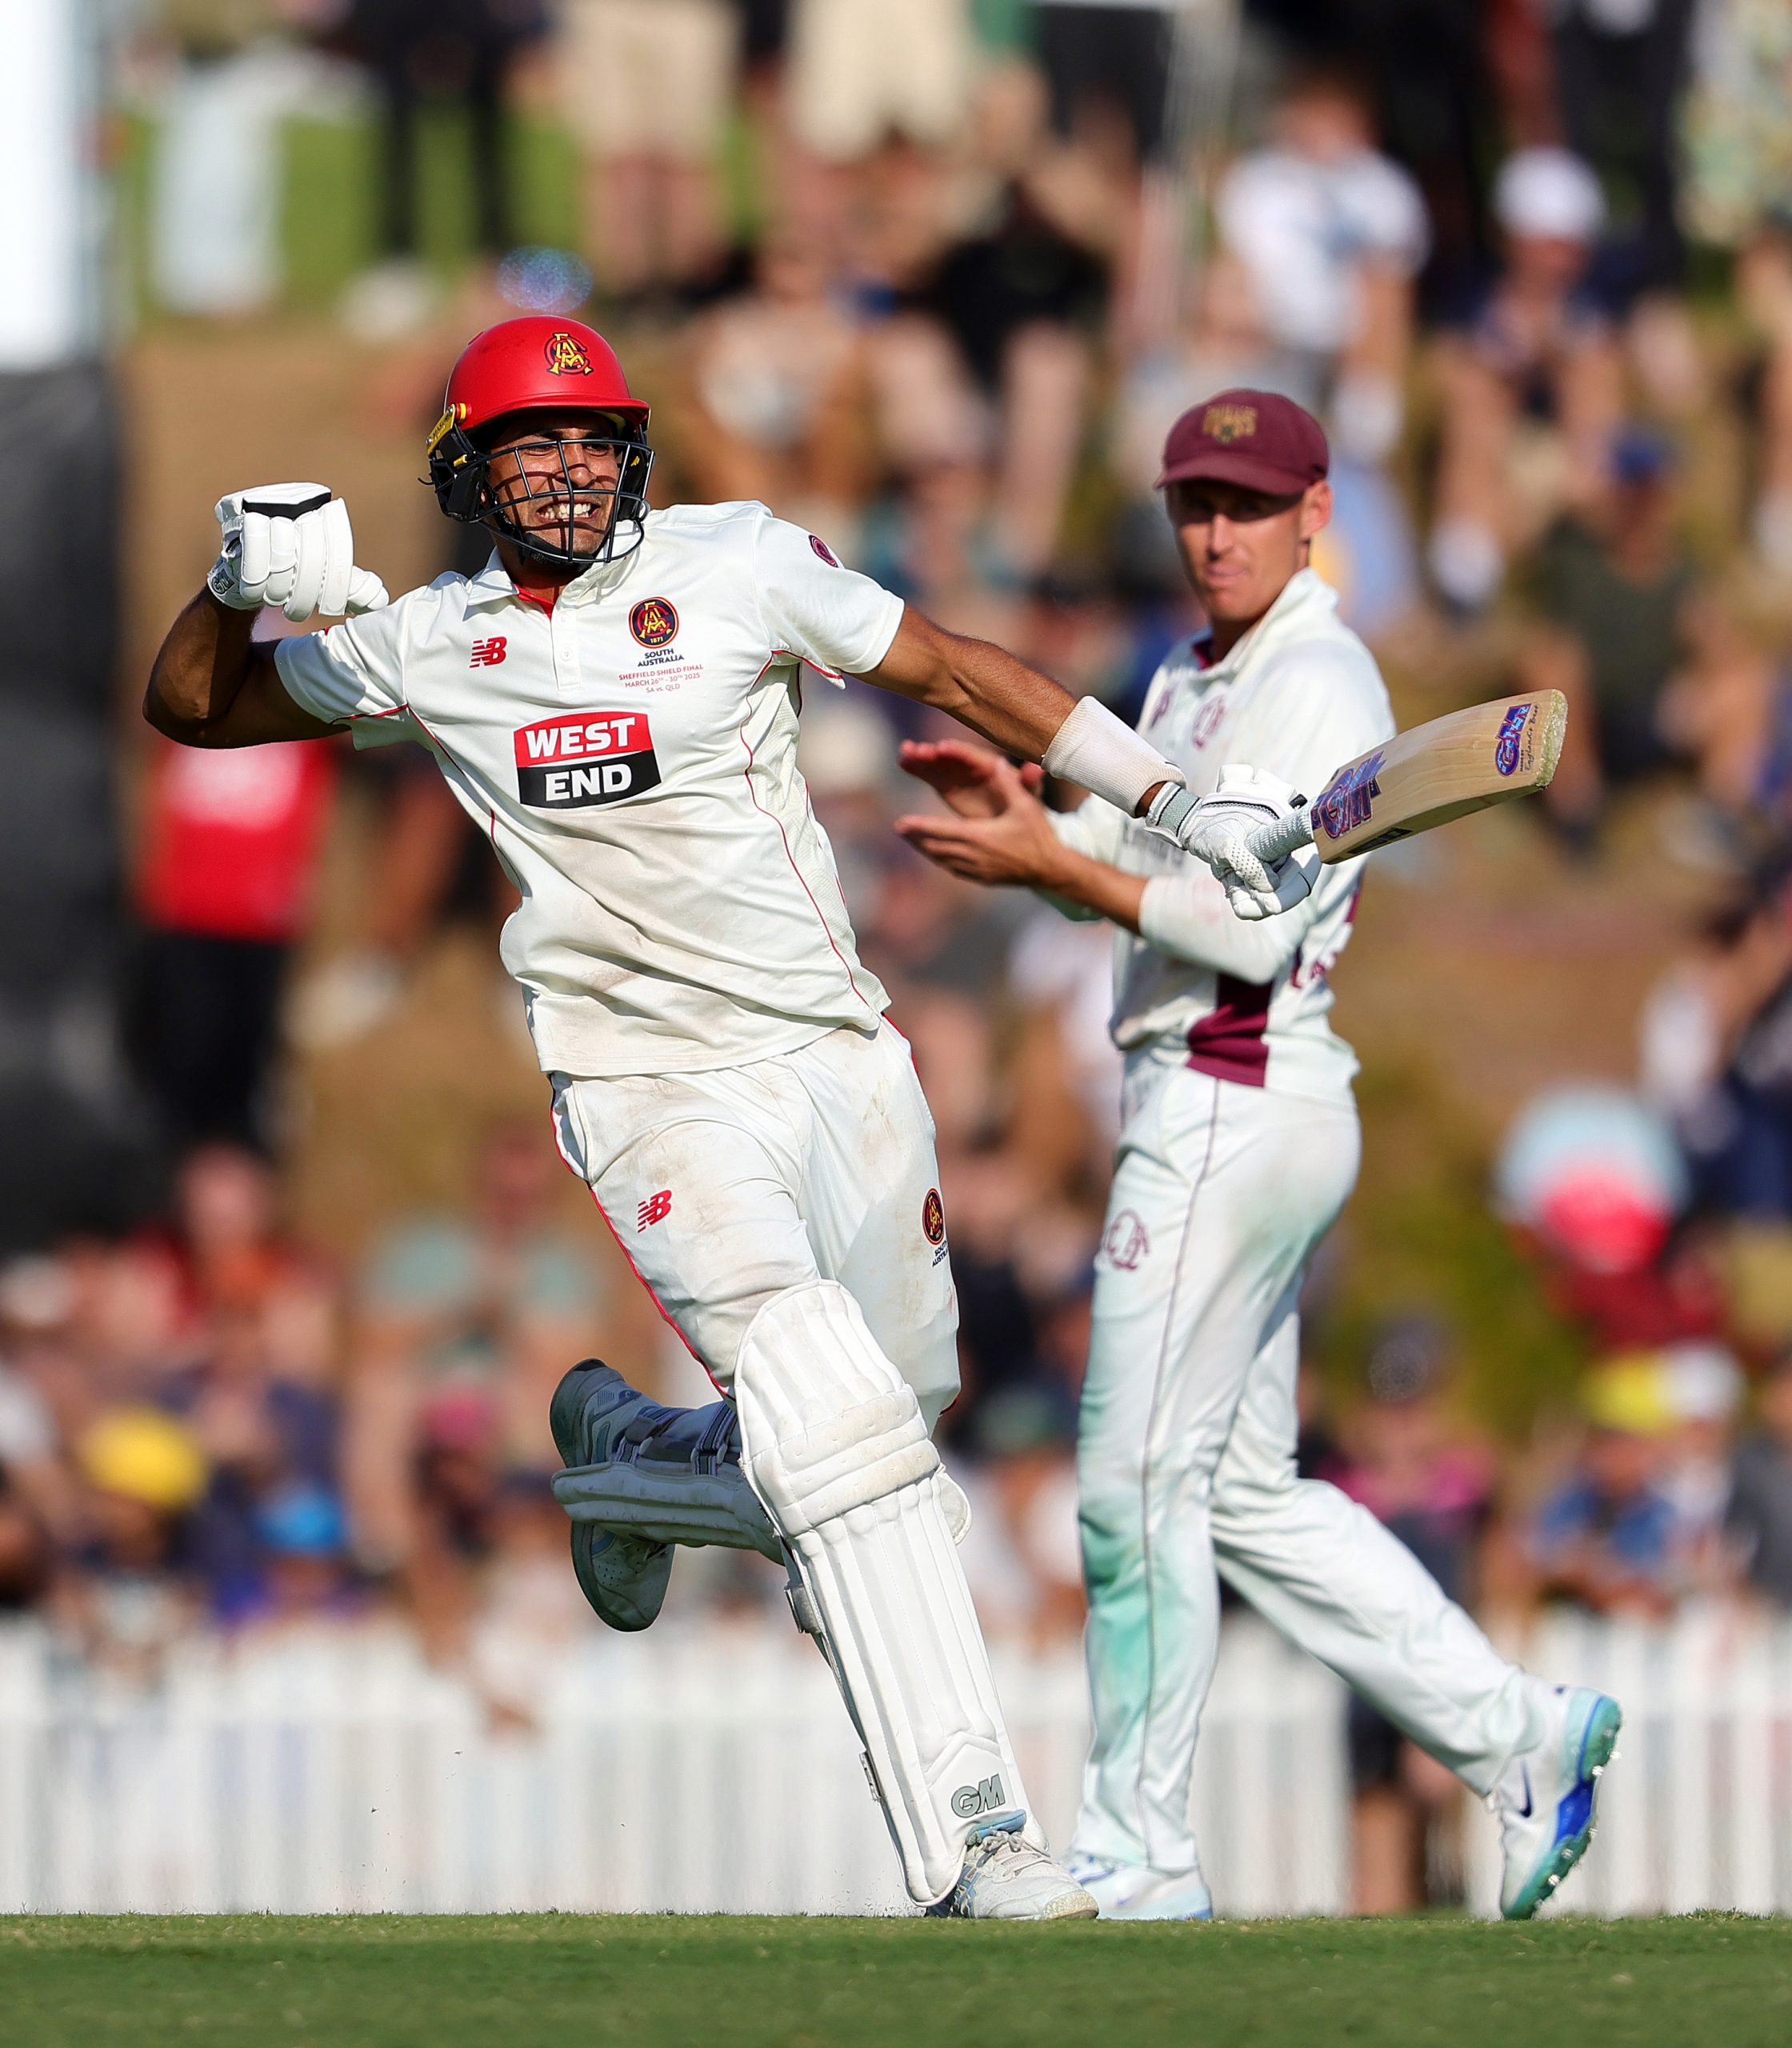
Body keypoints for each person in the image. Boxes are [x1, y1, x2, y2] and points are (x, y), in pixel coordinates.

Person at [140, 314, 1242, 1921]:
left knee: (888, 1423)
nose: (574, 466)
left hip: (838, 1059)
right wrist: (235, 582)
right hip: (649, 1087)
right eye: (534, 439)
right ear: (468, 468)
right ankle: (975, 1843)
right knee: (840, 1434)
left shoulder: (737, 562)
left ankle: (632, 1466)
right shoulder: (425, 639)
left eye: (595, 438)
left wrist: (1168, 796)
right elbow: (197, 709)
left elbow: (946, 667)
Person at [893, 387, 1624, 1921]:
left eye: (1247, 503)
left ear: (1314, 513)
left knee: (1124, 1484)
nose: (1215, 531)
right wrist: (1045, 841)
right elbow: (1168, 883)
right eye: (1193, 504)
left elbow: (1252, 924)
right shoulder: (1180, 676)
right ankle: (1520, 1735)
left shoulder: (1318, 678)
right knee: (1239, 1497)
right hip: (1211, 1095)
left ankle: (1138, 1852)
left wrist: (1058, 868)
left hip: (1237, 1092)